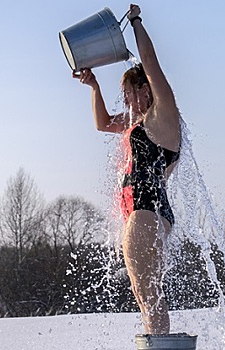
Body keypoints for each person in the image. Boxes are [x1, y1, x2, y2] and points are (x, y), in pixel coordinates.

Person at [73, 4, 180, 335]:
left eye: (127, 92)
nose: (125, 99)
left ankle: (158, 344)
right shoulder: (139, 124)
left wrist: (135, 22)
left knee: (147, 294)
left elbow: (150, 64)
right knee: (148, 293)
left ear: (145, 89)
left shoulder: (163, 114)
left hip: (146, 211)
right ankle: (159, 342)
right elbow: (103, 124)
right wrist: (94, 87)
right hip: (154, 211)